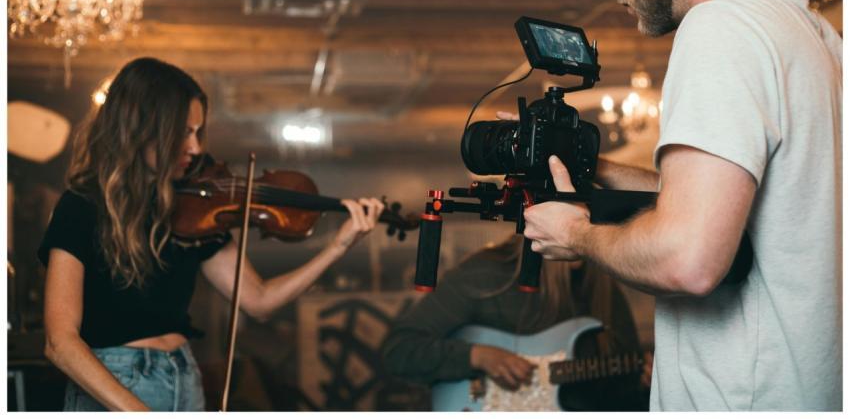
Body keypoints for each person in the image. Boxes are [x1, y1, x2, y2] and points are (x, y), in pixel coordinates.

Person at [521, 0, 842, 411]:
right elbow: (745, 200)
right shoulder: (813, 32)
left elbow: (688, 259)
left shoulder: (717, 28)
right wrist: (594, 170)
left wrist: (576, 234)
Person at [38, 57, 386, 411]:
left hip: (184, 378)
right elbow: (60, 342)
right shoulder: (81, 206)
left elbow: (259, 301)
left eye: (197, 132)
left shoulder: (195, 210)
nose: (196, 148)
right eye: (183, 132)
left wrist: (338, 247)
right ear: (142, 127)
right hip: (112, 385)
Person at [381, 234, 651, 411]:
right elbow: (399, 349)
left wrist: (644, 384)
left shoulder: (603, 289)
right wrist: (477, 356)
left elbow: (615, 397)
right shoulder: (487, 274)